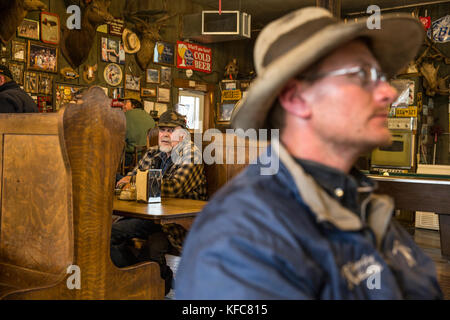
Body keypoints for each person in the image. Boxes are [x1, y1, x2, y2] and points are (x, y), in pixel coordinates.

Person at [175, 7, 443, 299]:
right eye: (362, 74)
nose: (389, 93)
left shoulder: (360, 199)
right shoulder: (241, 236)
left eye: (381, 75)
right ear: (296, 98)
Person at [112, 110, 207, 293]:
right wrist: (132, 181)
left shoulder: (191, 153)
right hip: (151, 215)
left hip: (176, 222)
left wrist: (135, 182)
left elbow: (174, 188)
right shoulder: (154, 153)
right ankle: (150, 280)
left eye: (171, 130)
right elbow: (130, 179)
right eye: (162, 129)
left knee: (114, 233)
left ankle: (142, 282)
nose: (164, 134)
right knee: (107, 231)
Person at [121, 97, 156, 166]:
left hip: (131, 157)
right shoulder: (149, 116)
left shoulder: (126, 115)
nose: (123, 105)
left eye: (126, 103)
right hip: (148, 156)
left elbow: (120, 137)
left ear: (134, 105)